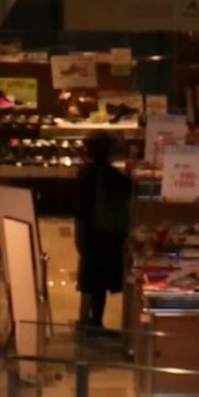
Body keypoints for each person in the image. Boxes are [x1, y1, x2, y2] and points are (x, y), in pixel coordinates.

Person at [75, 138, 134, 339]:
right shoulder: (111, 174)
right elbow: (128, 189)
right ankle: (95, 322)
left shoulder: (84, 173)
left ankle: (87, 319)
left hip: (87, 232)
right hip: (105, 235)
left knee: (90, 278)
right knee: (100, 280)